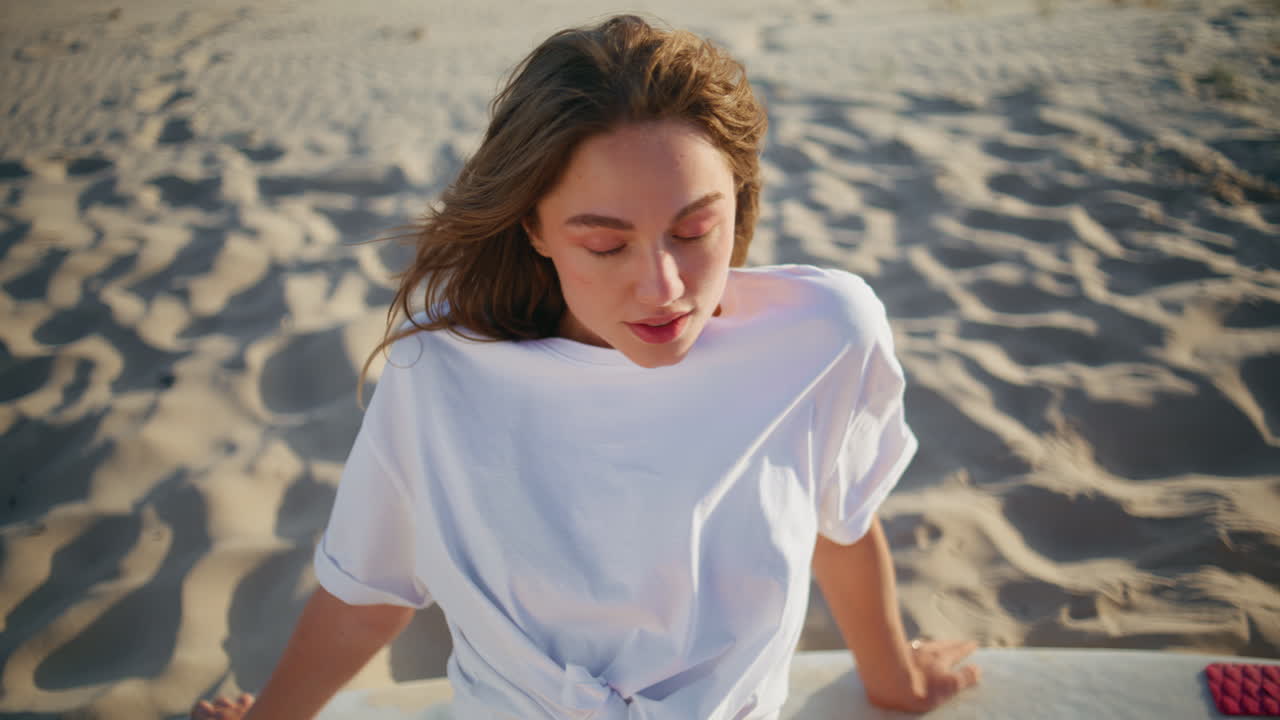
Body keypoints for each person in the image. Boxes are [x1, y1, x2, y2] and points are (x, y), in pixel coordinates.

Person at [193, 14, 979, 720]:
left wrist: (895, 683)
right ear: (533, 226)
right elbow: (369, 592)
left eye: (695, 228)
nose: (664, 287)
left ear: (740, 200)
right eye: (605, 244)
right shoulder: (441, 370)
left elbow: (838, 519)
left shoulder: (823, 335)